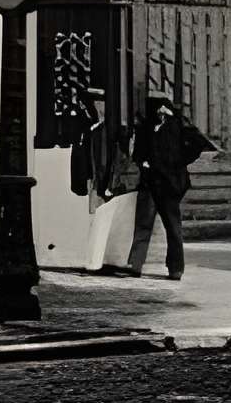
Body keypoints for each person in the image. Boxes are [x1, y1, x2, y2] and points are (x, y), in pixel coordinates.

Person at [107, 93, 215, 281]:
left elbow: (198, 141)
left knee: (173, 227)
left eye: (162, 107)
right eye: (155, 107)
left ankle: (175, 268)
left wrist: (179, 161)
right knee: (143, 224)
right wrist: (144, 163)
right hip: (149, 183)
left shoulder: (177, 126)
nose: (159, 111)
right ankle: (136, 264)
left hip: (170, 184)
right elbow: (137, 153)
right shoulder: (146, 128)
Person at [66, 89, 137, 274]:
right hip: (96, 181)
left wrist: (104, 185)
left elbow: (103, 161)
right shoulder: (93, 129)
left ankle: (95, 261)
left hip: (101, 182)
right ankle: (95, 260)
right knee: (97, 220)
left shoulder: (101, 131)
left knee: (99, 221)